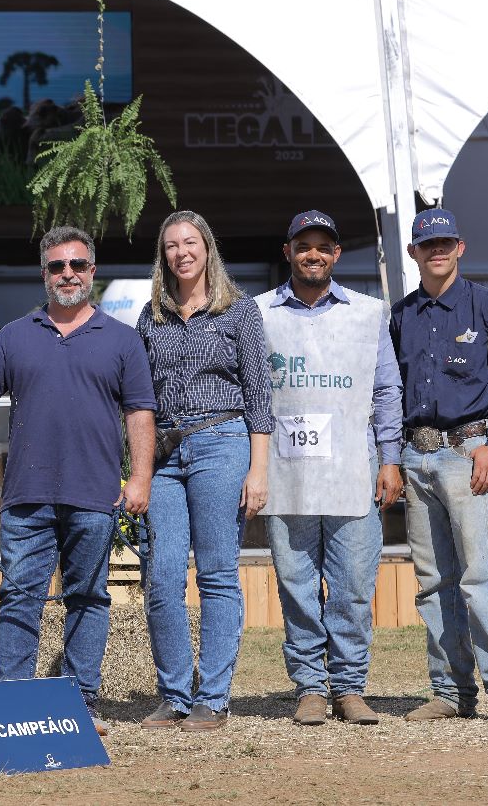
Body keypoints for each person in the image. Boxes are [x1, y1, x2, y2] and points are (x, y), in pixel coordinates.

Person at [0, 225, 157, 735]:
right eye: (58, 266)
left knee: (89, 597)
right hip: (27, 495)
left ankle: (82, 700)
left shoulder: (123, 341)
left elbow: (141, 415)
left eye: (77, 265)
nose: (68, 274)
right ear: (44, 275)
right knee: (19, 597)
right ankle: (13, 700)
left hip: (95, 493)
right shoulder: (14, 335)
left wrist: (140, 479)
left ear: (92, 272)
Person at [255, 210, 403, 726]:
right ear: (288, 251)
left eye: (323, 246)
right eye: (303, 245)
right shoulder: (257, 314)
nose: (312, 254)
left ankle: (349, 686)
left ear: (337, 255)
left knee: (353, 585)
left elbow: (386, 390)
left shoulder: (368, 313)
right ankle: (310, 688)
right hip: (286, 471)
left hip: (352, 470)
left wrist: (391, 460)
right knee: (295, 584)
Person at [390, 208, 488, 726]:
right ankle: (450, 692)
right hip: (416, 456)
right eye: (428, 244)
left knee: (480, 578)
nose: (438, 251)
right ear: (413, 253)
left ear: (461, 247)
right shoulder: (401, 317)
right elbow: (389, 394)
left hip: (468, 455)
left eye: (446, 242)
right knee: (433, 582)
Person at [134, 210, 273, 732]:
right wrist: (138, 467)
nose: (181, 253)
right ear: (162, 256)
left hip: (222, 442)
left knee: (216, 575)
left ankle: (212, 698)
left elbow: (260, 395)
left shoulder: (239, 312)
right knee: (163, 577)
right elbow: (139, 398)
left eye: (190, 243)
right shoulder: (152, 317)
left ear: (207, 248)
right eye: (171, 246)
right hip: (165, 454)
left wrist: (258, 471)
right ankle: (173, 695)